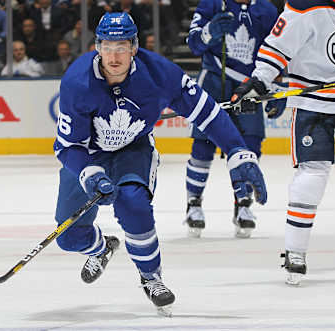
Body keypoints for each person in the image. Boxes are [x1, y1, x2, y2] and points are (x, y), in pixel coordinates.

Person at [53, 12, 267, 316]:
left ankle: (151, 277)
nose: (114, 56)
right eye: (108, 46)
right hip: (88, 156)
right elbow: (67, 146)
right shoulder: (77, 82)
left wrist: (237, 151)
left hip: (133, 149)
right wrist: (90, 172)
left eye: (122, 47)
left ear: (134, 47)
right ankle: (102, 248)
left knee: (133, 203)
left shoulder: (160, 74)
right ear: (97, 47)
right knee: (68, 238)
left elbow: (207, 112)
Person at [229, 0, 335, 285]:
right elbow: (278, 46)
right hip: (314, 101)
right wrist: (259, 82)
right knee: (312, 174)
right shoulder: (303, 6)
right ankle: (295, 251)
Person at [184, 0, 282, 238]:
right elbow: (193, 44)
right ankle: (193, 204)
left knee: (250, 146)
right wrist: (209, 33)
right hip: (214, 80)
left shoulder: (267, 10)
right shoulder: (211, 4)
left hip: (249, 86)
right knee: (203, 146)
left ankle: (243, 205)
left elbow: (279, 50)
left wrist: (277, 85)